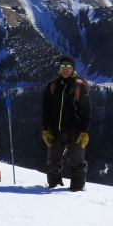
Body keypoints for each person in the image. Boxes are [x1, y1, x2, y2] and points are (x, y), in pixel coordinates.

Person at [41, 54, 91, 191]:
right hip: (55, 131)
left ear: (73, 69)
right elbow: (45, 109)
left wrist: (84, 132)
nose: (65, 68)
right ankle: (53, 187)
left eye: (68, 66)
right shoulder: (52, 86)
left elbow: (87, 112)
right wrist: (45, 129)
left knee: (77, 162)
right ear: (59, 68)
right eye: (62, 65)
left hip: (75, 133)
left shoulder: (80, 87)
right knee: (53, 162)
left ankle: (77, 192)